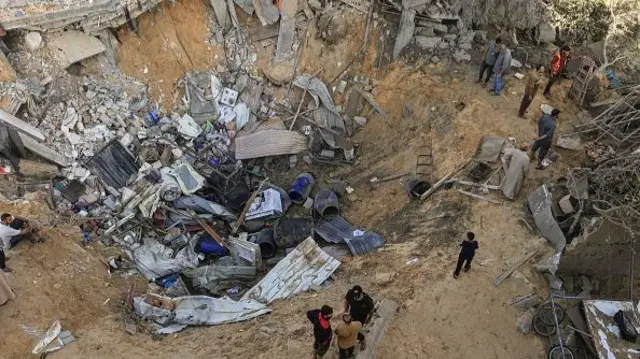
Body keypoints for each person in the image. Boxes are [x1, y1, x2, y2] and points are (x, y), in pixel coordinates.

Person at [344, 285, 374, 350]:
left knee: (355, 332)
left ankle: (362, 340)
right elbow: (346, 302)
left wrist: (369, 318)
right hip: (352, 315)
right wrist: (345, 312)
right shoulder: (350, 293)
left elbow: (371, 310)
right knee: (349, 329)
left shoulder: (367, 300)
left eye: (356, 297)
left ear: (360, 294)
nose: (354, 298)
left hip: (361, 318)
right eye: (353, 297)